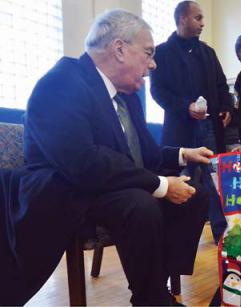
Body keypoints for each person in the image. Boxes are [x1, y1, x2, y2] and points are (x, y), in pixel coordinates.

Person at [0, 9, 213, 306]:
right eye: (149, 53)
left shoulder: (126, 96)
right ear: (119, 49)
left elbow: (143, 153)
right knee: (140, 205)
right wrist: (161, 184)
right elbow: (83, 162)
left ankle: (156, 285)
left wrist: (181, 154)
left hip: (107, 185)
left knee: (195, 195)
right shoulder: (61, 83)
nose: (152, 64)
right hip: (67, 191)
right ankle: (151, 298)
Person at [150, 0, 232, 243]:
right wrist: (185, 107)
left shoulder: (208, 52)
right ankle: (174, 239)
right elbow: (158, 92)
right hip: (179, 131)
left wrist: (227, 107)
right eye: (198, 17)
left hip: (209, 128)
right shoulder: (162, 53)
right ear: (182, 18)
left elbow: (221, 85)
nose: (203, 23)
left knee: (215, 182)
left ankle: (223, 237)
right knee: (178, 181)